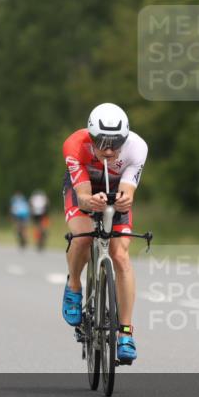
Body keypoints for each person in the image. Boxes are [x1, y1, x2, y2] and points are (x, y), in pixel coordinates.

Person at [61, 102, 147, 363]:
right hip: (84, 188)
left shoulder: (137, 147)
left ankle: (125, 333)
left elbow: (127, 193)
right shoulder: (75, 144)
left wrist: (123, 201)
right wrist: (89, 202)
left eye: (116, 143)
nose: (109, 150)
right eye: (102, 143)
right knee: (84, 238)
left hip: (114, 188)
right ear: (91, 136)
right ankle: (74, 285)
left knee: (120, 256)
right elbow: (84, 196)